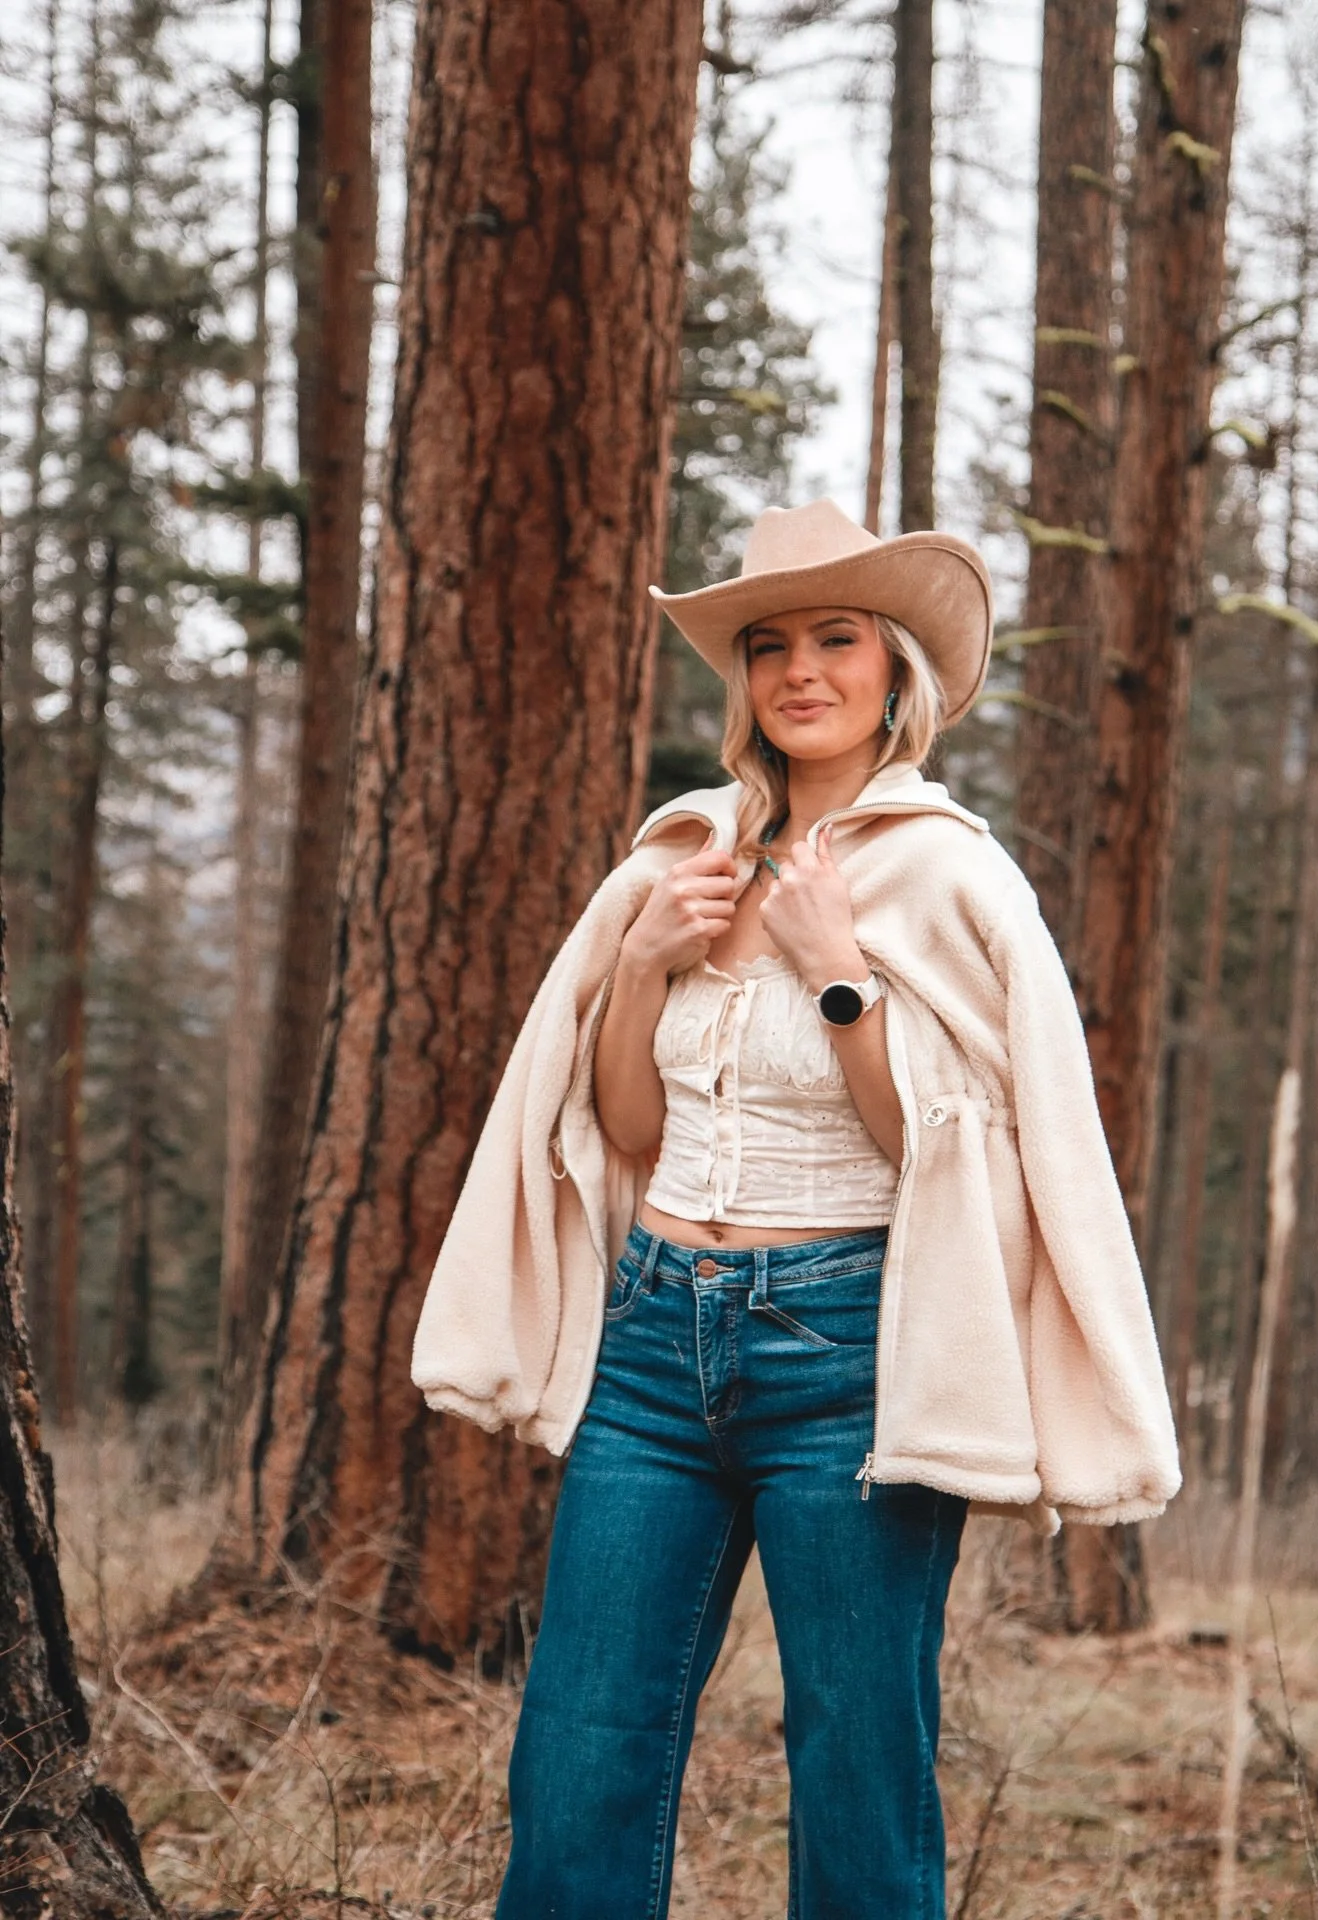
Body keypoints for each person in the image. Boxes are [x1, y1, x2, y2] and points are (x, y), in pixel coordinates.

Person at [411, 499, 1181, 1920]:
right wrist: (644, 967)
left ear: (896, 673)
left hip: (846, 1359)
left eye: (838, 640)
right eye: (771, 646)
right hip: (654, 1345)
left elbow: (938, 1158)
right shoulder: (677, 863)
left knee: (857, 1760)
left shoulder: (952, 876)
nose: (801, 672)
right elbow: (627, 1133)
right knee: (580, 1749)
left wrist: (840, 977)